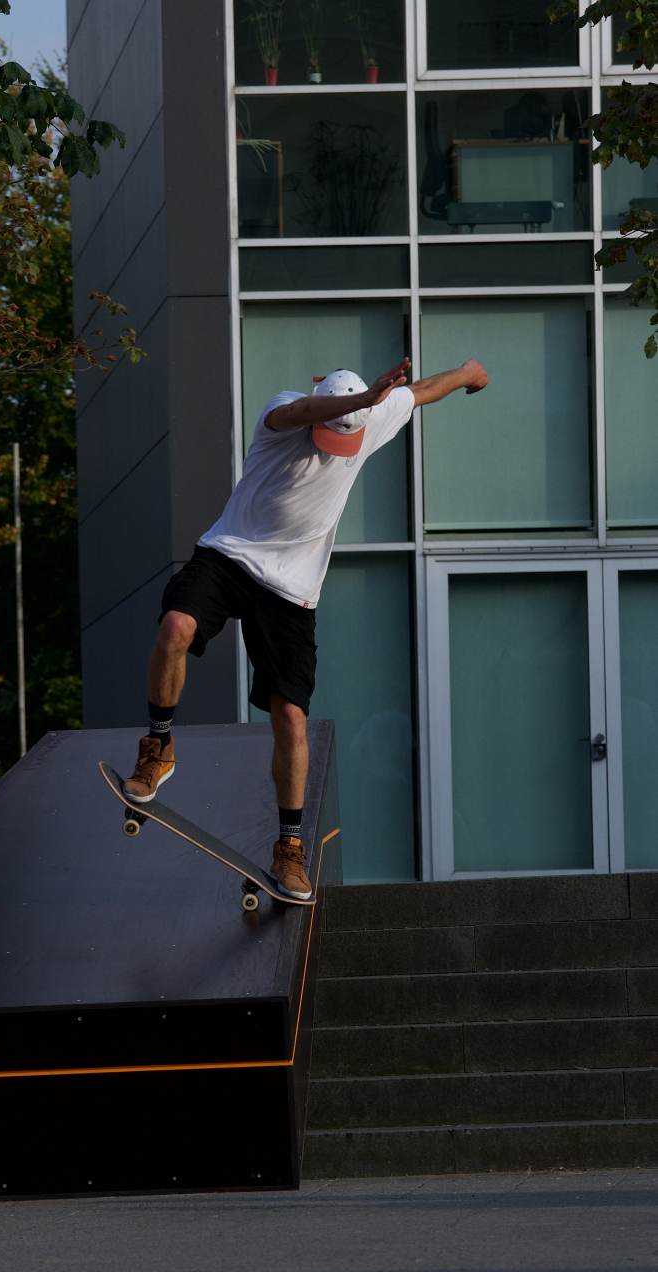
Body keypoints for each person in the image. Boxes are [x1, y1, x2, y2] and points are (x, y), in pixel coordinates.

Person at [123, 355, 489, 900]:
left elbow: (421, 390)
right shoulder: (283, 414)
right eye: (332, 432)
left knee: (292, 720)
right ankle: (158, 745)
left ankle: (290, 848)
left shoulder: (372, 419)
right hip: (229, 556)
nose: (336, 447)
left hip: (291, 590)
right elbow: (302, 411)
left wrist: (467, 374)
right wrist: (364, 400)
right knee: (176, 625)